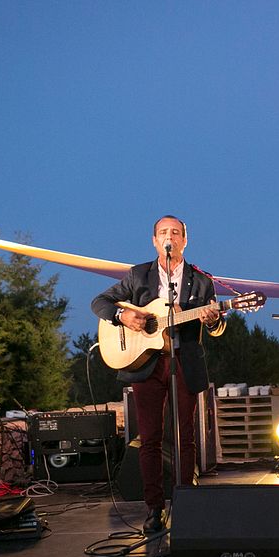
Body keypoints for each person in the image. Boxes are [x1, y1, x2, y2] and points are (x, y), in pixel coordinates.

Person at [91, 215, 225, 533]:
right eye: (163, 232)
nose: (170, 237)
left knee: (185, 436)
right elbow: (99, 302)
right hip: (146, 365)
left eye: (176, 232)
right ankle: (154, 508)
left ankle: (187, 504)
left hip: (184, 362)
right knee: (149, 438)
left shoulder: (201, 280)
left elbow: (218, 328)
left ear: (185, 241)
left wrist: (213, 320)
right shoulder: (139, 275)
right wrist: (123, 315)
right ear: (154, 241)